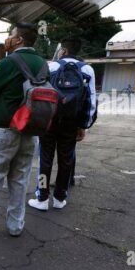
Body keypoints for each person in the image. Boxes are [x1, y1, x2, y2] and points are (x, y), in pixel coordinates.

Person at [0, 22, 45, 238]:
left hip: (5, 128)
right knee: (20, 179)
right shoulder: (43, 64)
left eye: (10, 34)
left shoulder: (9, 62)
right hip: (32, 130)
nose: (7, 37)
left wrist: (2, 108)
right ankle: (16, 226)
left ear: (19, 40)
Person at [28, 37, 96, 212]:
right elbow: (92, 100)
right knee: (66, 160)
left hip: (50, 122)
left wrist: (39, 122)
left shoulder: (51, 67)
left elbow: (39, 96)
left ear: (63, 51)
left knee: (45, 160)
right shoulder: (87, 69)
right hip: (72, 123)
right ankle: (60, 197)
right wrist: (84, 126)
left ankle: (42, 198)